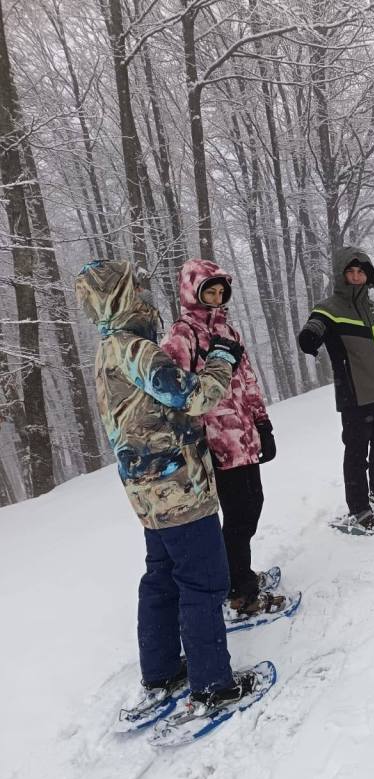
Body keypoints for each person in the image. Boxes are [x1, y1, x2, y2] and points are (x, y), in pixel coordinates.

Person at [75, 258, 261, 711]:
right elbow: (193, 396)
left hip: (147, 493)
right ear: (121, 296)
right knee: (204, 580)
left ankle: (160, 670)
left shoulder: (107, 351)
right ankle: (212, 683)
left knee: (161, 577)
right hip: (178, 488)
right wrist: (220, 359)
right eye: (135, 289)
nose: (144, 296)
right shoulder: (134, 350)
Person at [161, 258, 284, 616]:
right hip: (213, 444)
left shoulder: (229, 332)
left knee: (252, 505)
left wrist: (262, 423)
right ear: (192, 293)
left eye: (220, 292)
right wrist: (193, 441)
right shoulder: (183, 334)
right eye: (209, 292)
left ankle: (238, 574)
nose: (216, 299)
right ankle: (238, 591)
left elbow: (247, 380)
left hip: (243, 437)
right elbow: (176, 394)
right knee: (239, 514)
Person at [297, 246, 374, 534]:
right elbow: (315, 327)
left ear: (368, 275)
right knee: (356, 454)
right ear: (341, 275)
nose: (355, 276)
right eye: (350, 271)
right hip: (354, 395)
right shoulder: (329, 309)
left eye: (360, 271)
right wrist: (310, 336)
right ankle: (359, 511)